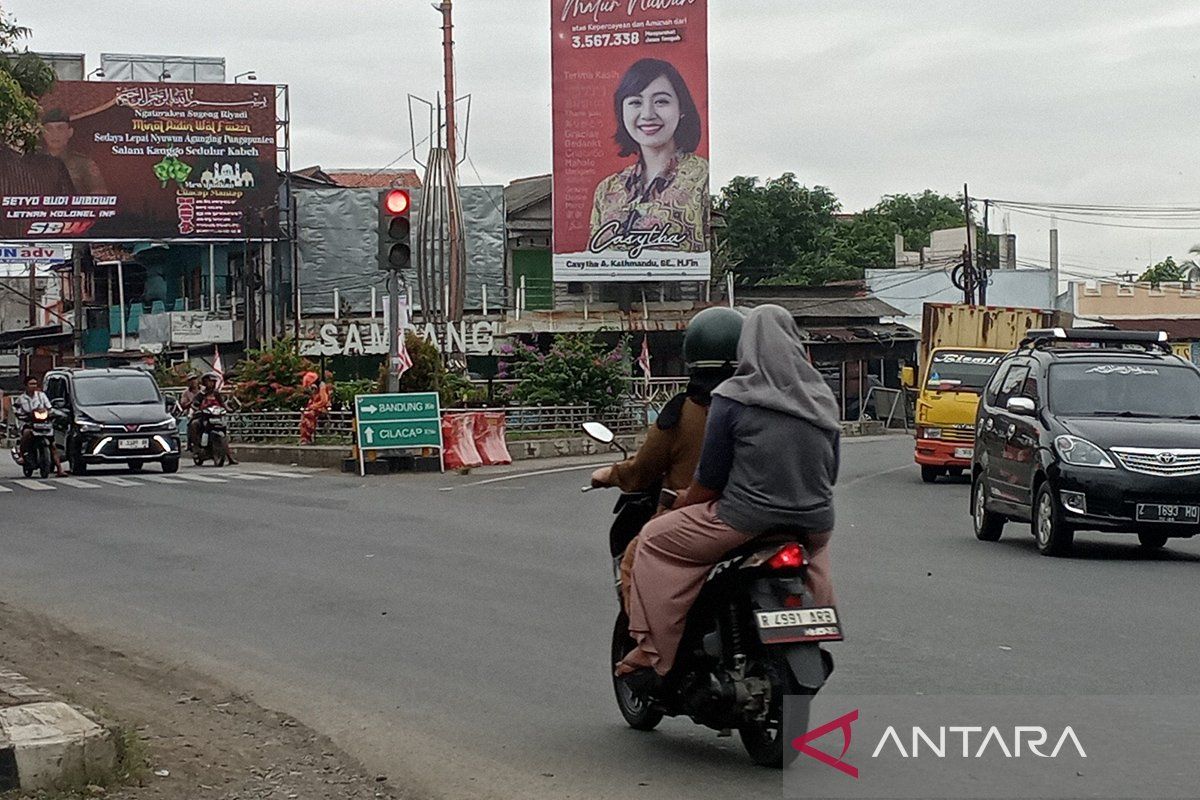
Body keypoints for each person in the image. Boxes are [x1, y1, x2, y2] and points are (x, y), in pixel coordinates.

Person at [618, 305, 842, 679]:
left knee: (652, 540)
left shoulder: (732, 397)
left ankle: (652, 647)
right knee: (815, 558)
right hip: (815, 524)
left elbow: (710, 480)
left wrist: (680, 506)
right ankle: (813, 626)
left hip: (743, 520)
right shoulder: (821, 397)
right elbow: (830, 472)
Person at [590, 306, 744, 609]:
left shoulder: (686, 412)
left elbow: (644, 470)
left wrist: (611, 475)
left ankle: (645, 646)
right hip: (778, 519)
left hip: (702, 517)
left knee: (637, 559)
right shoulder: (768, 405)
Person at [590, 58, 709, 254]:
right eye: (635, 102)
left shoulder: (702, 177)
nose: (647, 114)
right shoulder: (606, 190)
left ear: (682, 110)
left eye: (661, 101)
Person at [38, 108, 108, 194]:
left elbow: (100, 195)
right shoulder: (33, 162)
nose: (55, 134)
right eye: (49, 129)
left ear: (70, 132)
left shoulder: (84, 164)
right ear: (43, 133)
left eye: (60, 128)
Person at [13, 375, 67, 477]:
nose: (33, 386)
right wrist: (23, 416)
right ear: (26, 386)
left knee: (53, 445)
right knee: (26, 433)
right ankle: (22, 455)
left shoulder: (41, 396)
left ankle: (59, 468)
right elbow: (16, 410)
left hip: (43, 423)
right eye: (31, 384)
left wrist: (53, 414)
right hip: (28, 423)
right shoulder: (21, 399)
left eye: (35, 384)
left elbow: (49, 408)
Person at [195, 372, 237, 466]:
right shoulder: (201, 394)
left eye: (213, 382)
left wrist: (229, 410)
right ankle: (198, 447)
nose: (212, 384)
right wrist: (197, 409)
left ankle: (229, 457)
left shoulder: (216, 393)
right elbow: (195, 404)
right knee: (195, 425)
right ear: (205, 382)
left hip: (216, 417)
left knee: (224, 434)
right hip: (205, 417)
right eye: (210, 381)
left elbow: (223, 404)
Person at [298, 371, 332, 446]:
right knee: (304, 416)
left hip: (322, 408)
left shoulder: (322, 386)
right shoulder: (315, 388)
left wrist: (314, 406)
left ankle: (307, 437)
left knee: (308, 416)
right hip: (316, 407)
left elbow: (324, 400)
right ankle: (305, 437)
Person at [179, 374, 202, 452]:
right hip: (193, 411)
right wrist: (191, 402)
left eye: (194, 379)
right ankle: (190, 443)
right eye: (191, 380)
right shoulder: (186, 393)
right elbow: (183, 404)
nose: (193, 382)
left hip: (205, 410)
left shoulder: (203, 390)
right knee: (190, 423)